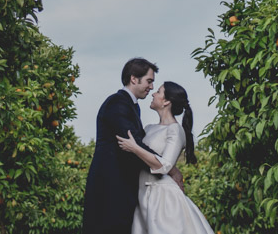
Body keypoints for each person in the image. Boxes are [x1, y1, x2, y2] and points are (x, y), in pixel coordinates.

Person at [82, 58, 184, 234]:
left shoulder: (132, 107)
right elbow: (134, 142)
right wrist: (170, 169)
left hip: (127, 190)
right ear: (134, 79)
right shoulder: (117, 103)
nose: (151, 87)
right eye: (149, 81)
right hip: (110, 189)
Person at [117, 81, 214, 234]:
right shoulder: (149, 128)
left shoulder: (175, 130)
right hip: (143, 195)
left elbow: (164, 166)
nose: (153, 93)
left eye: (159, 91)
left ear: (166, 101)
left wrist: (134, 148)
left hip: (163, 197)